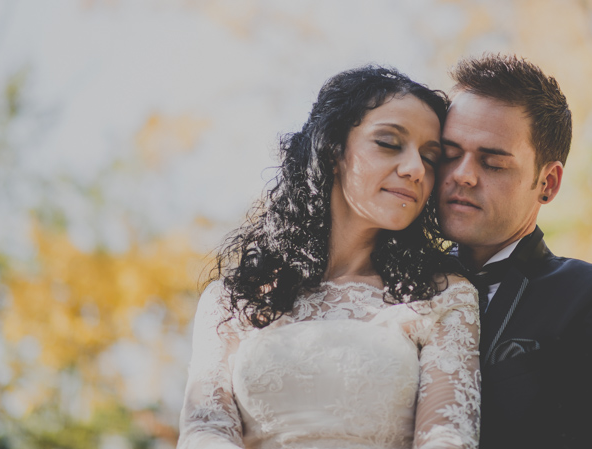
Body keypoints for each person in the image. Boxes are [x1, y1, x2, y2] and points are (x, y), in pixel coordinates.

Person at [178, 65, 481, 449]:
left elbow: (448, 439)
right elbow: (205, 433)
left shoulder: (445, 297)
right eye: (389, 143)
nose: (415, 169)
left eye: (431, 157)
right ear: (333, 148)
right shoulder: (231, 299)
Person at [436, 54, 592, 448]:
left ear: (548, 183)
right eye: (450, 154)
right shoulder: (388, 281)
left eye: (492, 163)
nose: (462, 175)